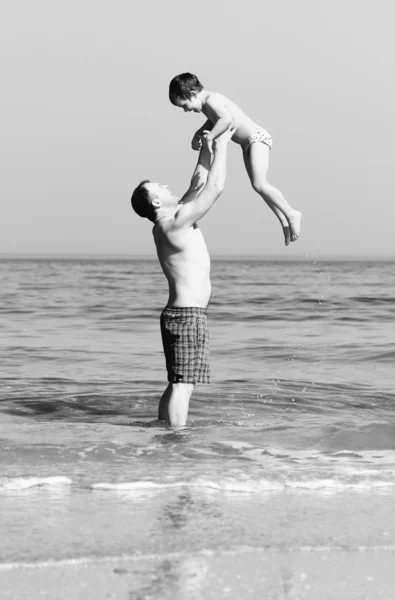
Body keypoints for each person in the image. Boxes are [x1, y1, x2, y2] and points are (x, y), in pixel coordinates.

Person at [131, 125, 234, 428]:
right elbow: (214, 189)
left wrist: (207, 145)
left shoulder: (168, 223)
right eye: (159, 187)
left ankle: (164, 433)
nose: (165, 185)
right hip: (187, 314)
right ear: (156, 203)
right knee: (183, 385)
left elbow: (198, 181)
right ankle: (177, 439)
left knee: (176, 381)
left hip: (181, 313)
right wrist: (224, 144)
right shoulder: (174, 225)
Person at [169, 72, 302, 247]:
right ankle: (284, 220)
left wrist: (210, 139)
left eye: (184, 105)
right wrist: (198, 133)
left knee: (260, 184)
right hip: (247, 144)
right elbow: (213, 121)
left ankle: (292, 213)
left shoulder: (211, 100)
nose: (186, 110)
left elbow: (226, 119)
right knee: (257, 186)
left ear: (193, 94)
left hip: (257, 138)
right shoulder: (206, 106)